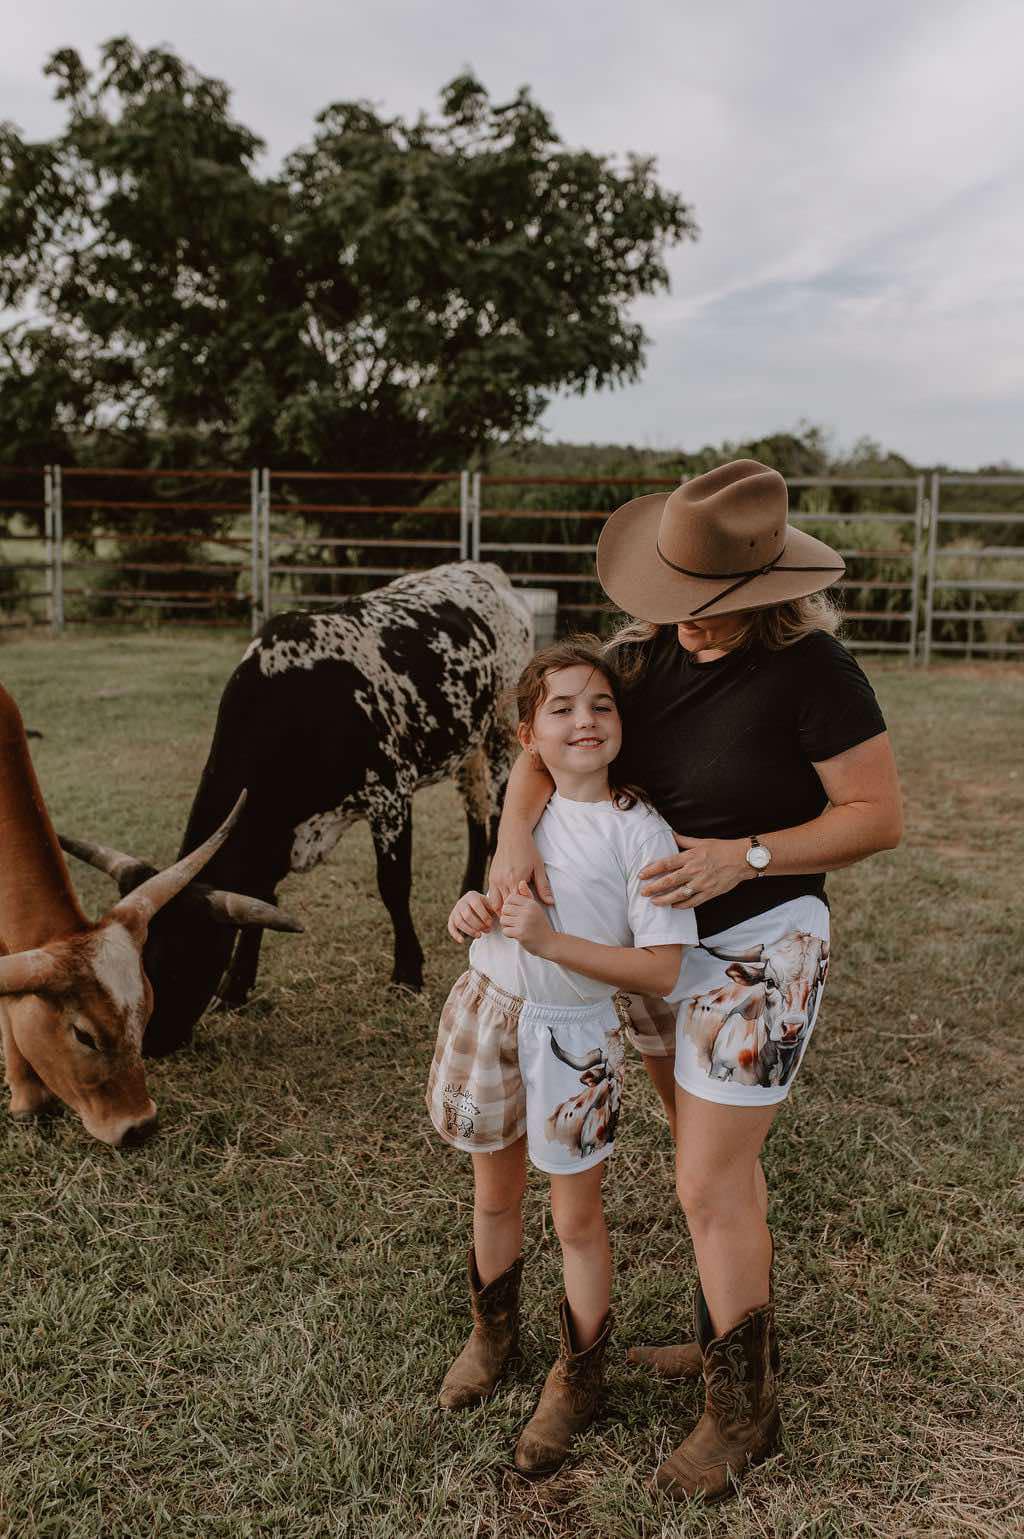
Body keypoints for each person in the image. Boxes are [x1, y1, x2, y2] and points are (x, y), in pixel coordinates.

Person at [487, 460, 903, 1502]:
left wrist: (744, 856)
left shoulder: (815, 672)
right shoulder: (640, 658)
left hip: (763, 938)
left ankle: (744, 1412)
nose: (688, 620)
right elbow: (542, 744)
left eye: (710, 604)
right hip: (652, 945)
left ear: (766, 593)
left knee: (706, 1180)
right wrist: (508, 840)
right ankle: (731, 1333)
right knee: (708, 1159)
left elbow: (876, 817)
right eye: (675, 596)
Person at [426, 638, 696, 1477]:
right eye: (562, 707)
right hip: (490, 1012)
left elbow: (661, 969)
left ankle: (579, 1375)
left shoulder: (639, 830)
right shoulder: (527, 808)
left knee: (576, 1219)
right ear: (527, 737)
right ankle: (492, 1332)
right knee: (493, 1194)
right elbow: (494, 905)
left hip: (572, 1039)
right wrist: (469, 911)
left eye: (601, 705)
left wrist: (553, 941)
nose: (585, 720)